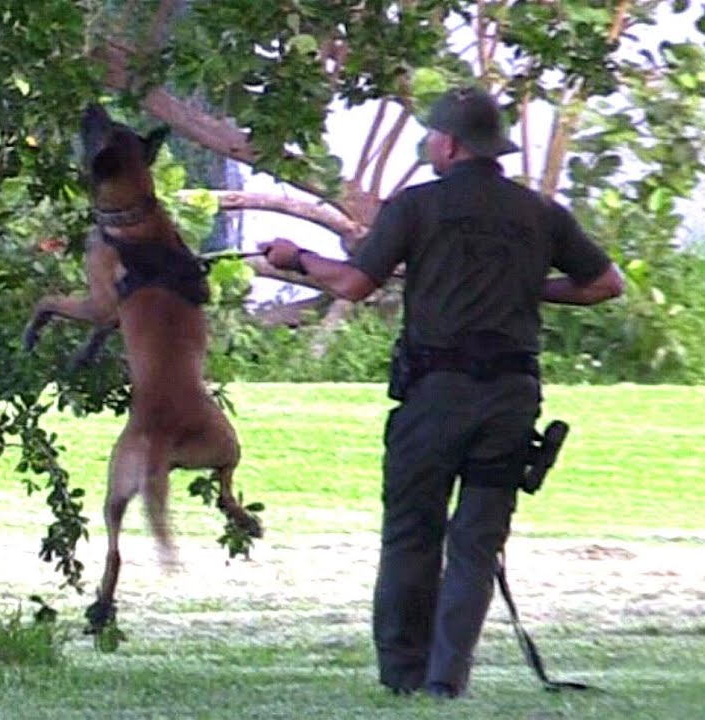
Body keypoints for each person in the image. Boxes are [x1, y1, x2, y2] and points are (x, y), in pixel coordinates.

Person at [259, 86, 624, 699]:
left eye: (431, 136)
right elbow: (604, 285)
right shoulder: (539, 213)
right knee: (478, 543)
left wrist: (296, 260)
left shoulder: (416, 207)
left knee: (413, 534)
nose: (428, 144)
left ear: (450, 145)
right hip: (511, 397)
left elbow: (351, 283)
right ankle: (446, 681)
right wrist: (525, 288)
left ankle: (404, 674)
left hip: (435, 394)